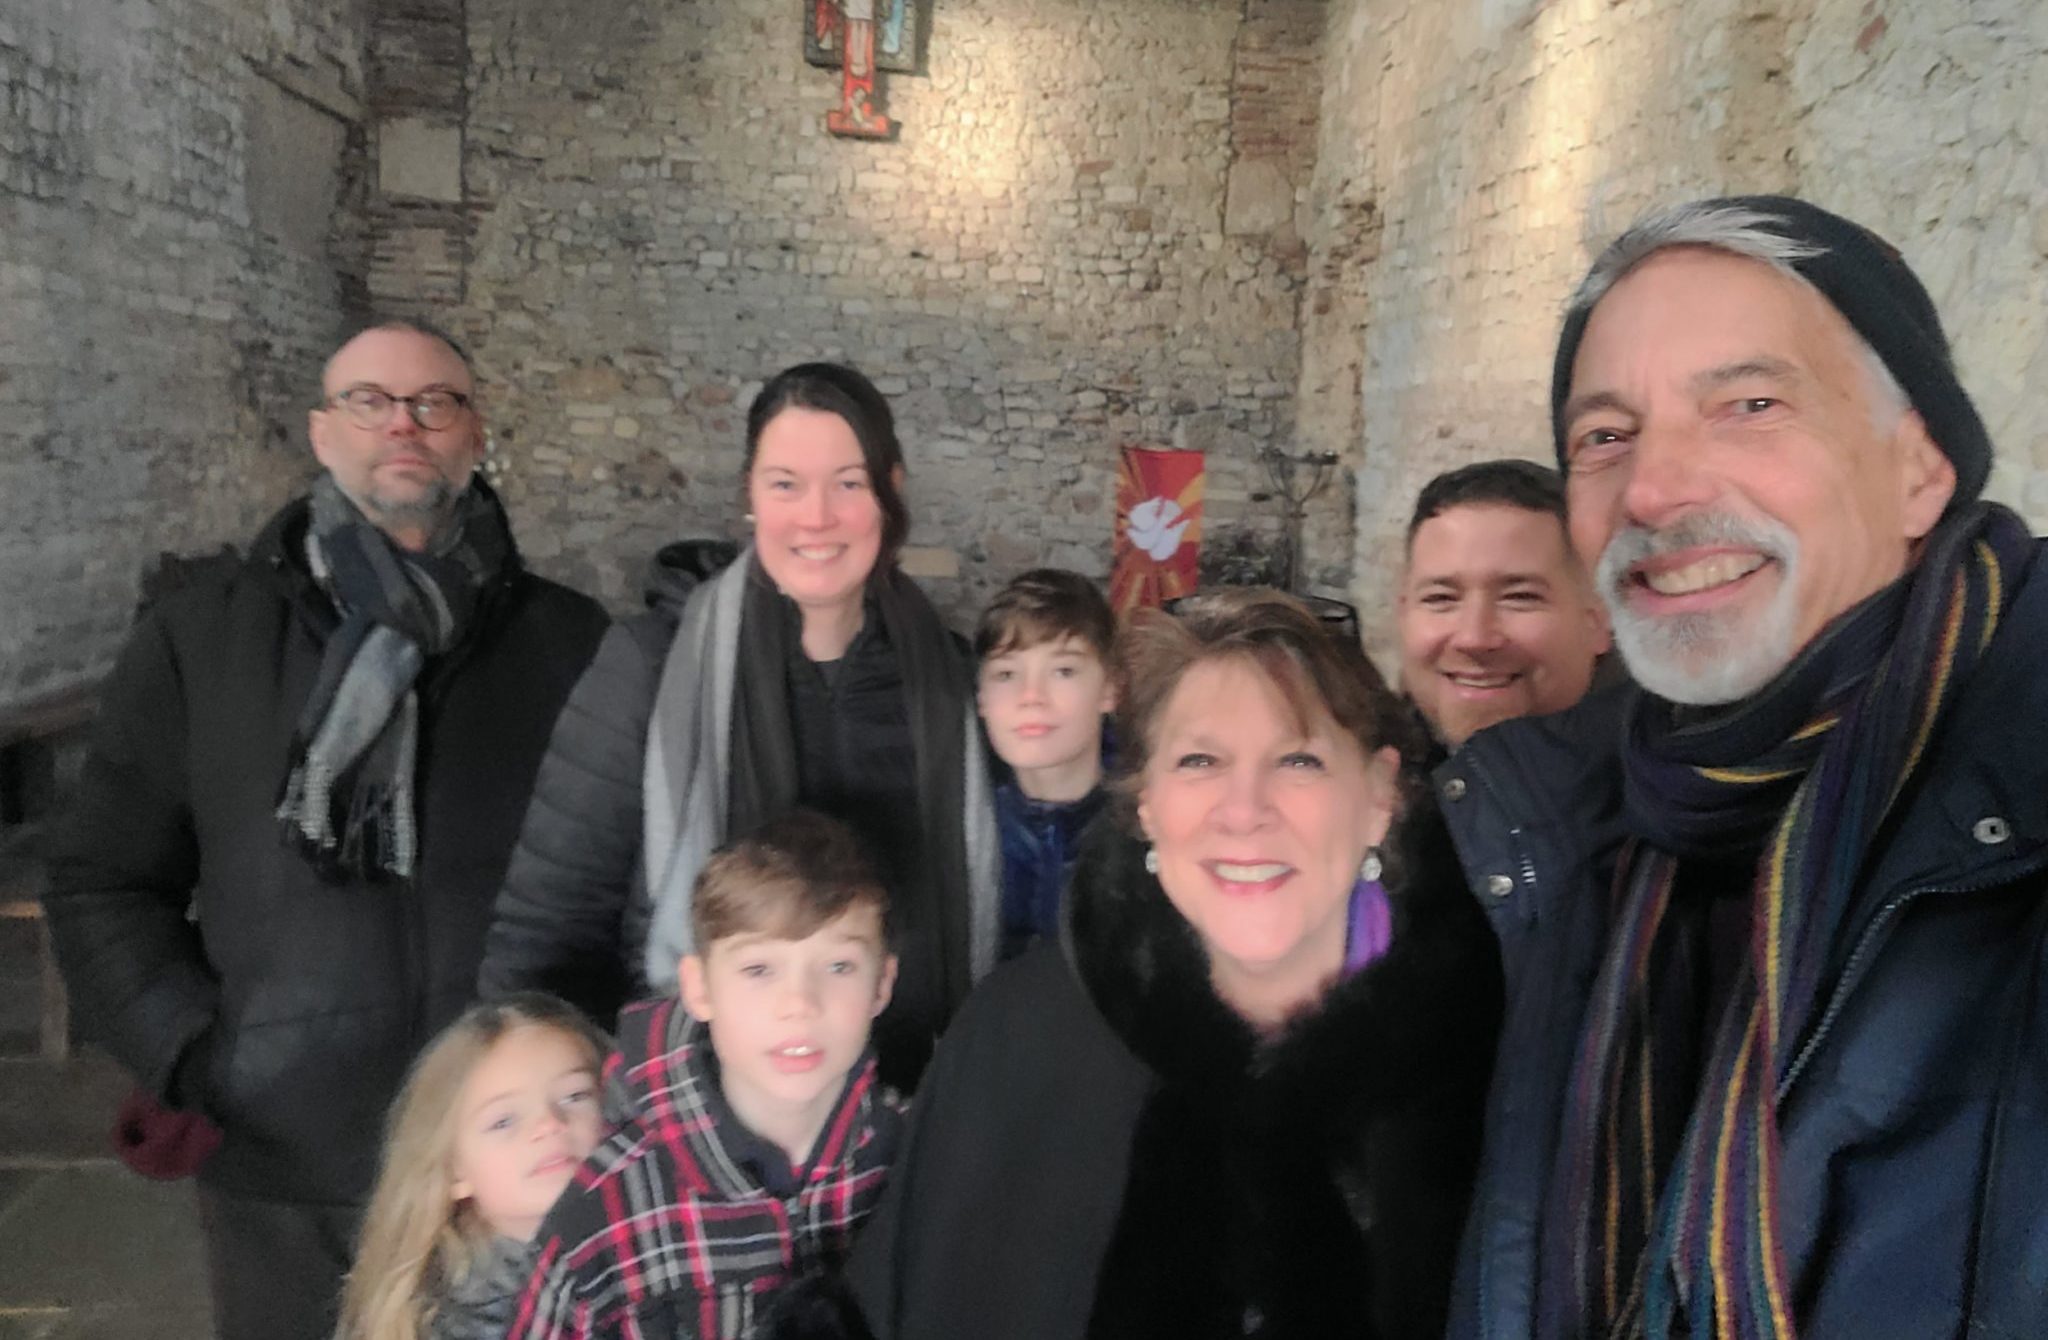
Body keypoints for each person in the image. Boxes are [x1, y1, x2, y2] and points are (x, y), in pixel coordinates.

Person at [1443, 196, 2048, 1340]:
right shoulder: (1554, 829)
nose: (1654, 490)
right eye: (1602, 436)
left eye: (1749, 405)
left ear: (1920, 468)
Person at [42, 321, 608, 1339]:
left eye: (435, 401)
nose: (404, 421)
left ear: (473, 431)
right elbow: (102, 876)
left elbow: (628, 868)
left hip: (511, 1163)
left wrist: (580, 1065)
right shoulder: (202, 637)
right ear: (320, 430)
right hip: (286, 1151)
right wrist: (200, 1053)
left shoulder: (568, 641)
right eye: (370, 400)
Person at [827, 589, 1502, 1340]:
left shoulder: (1486, 1064)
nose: (1243, 810)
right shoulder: (1015, 1039)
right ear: (1146, 801)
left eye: (1299, 758)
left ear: (1379, 797)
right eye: (1200, 760)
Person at [480, 362, 997, 1089]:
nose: (816, 516)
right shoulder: (650, 669)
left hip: (910, 1127)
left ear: (891, 492)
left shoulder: (954, 681)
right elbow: (545, 936)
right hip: (694, 1145)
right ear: (750, 496)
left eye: (849, 483)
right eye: (785, 483)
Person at [511, 810, 906, 1340]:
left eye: (839, 967)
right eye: (758, 970)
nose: (799, 1006)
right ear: (698, 989)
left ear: (882, 983)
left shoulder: (922, 1156)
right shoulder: (604, 1212)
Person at [335, 994, 611, 1340]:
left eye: (575, 1096)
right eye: (504, 1121)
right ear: (453, 1169)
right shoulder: (439, 1316)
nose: (550, 1124)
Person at [1397, 458, 1609, 751]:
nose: (1474, 638)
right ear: (1403, 613)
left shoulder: (1664, 787)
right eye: (1441, 599)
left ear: (1600, 621)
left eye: (1519, 598)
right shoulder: (1352, 778)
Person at [973, 568, 1117, 959]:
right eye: (1006, 674)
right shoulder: (961, 826)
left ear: (1110, 688)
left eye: (1063, 670)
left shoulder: (1150, 826)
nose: (1031, 696)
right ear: (981, 698)